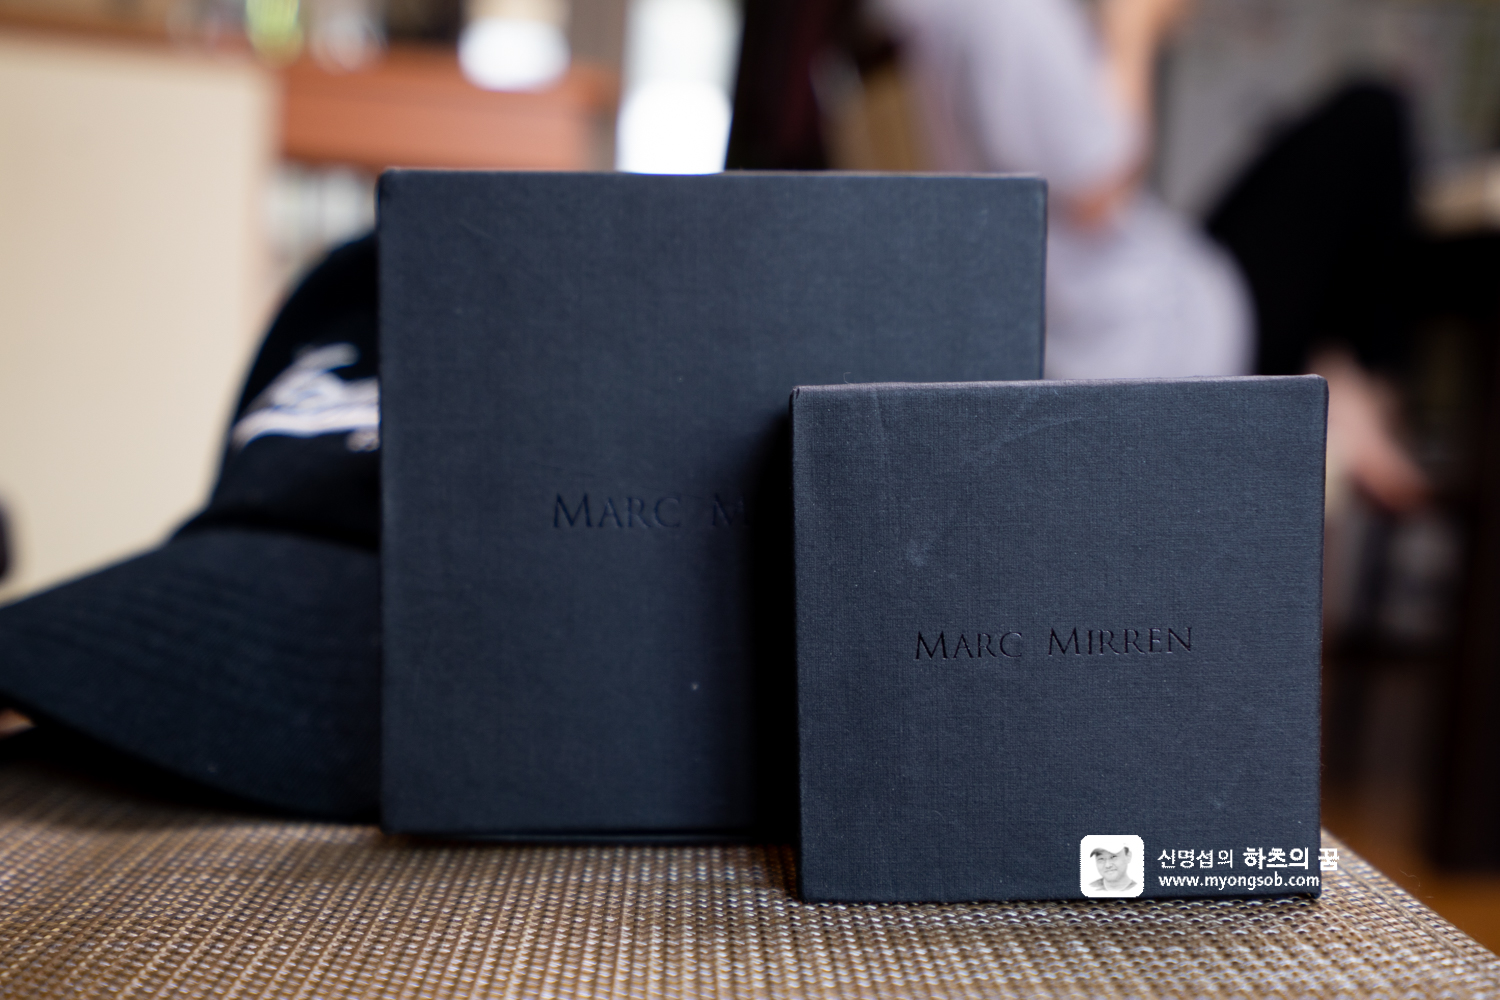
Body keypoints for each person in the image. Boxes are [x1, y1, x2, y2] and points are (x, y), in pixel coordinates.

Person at [878, 0, 1431, 513]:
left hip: (1144, 310)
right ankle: (1363, 400)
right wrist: (1134, 23)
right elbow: (1097, 182)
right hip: (1176, 346)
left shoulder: (918, 21)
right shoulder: (1007, 16)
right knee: (1372, 114)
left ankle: (1341, 385)